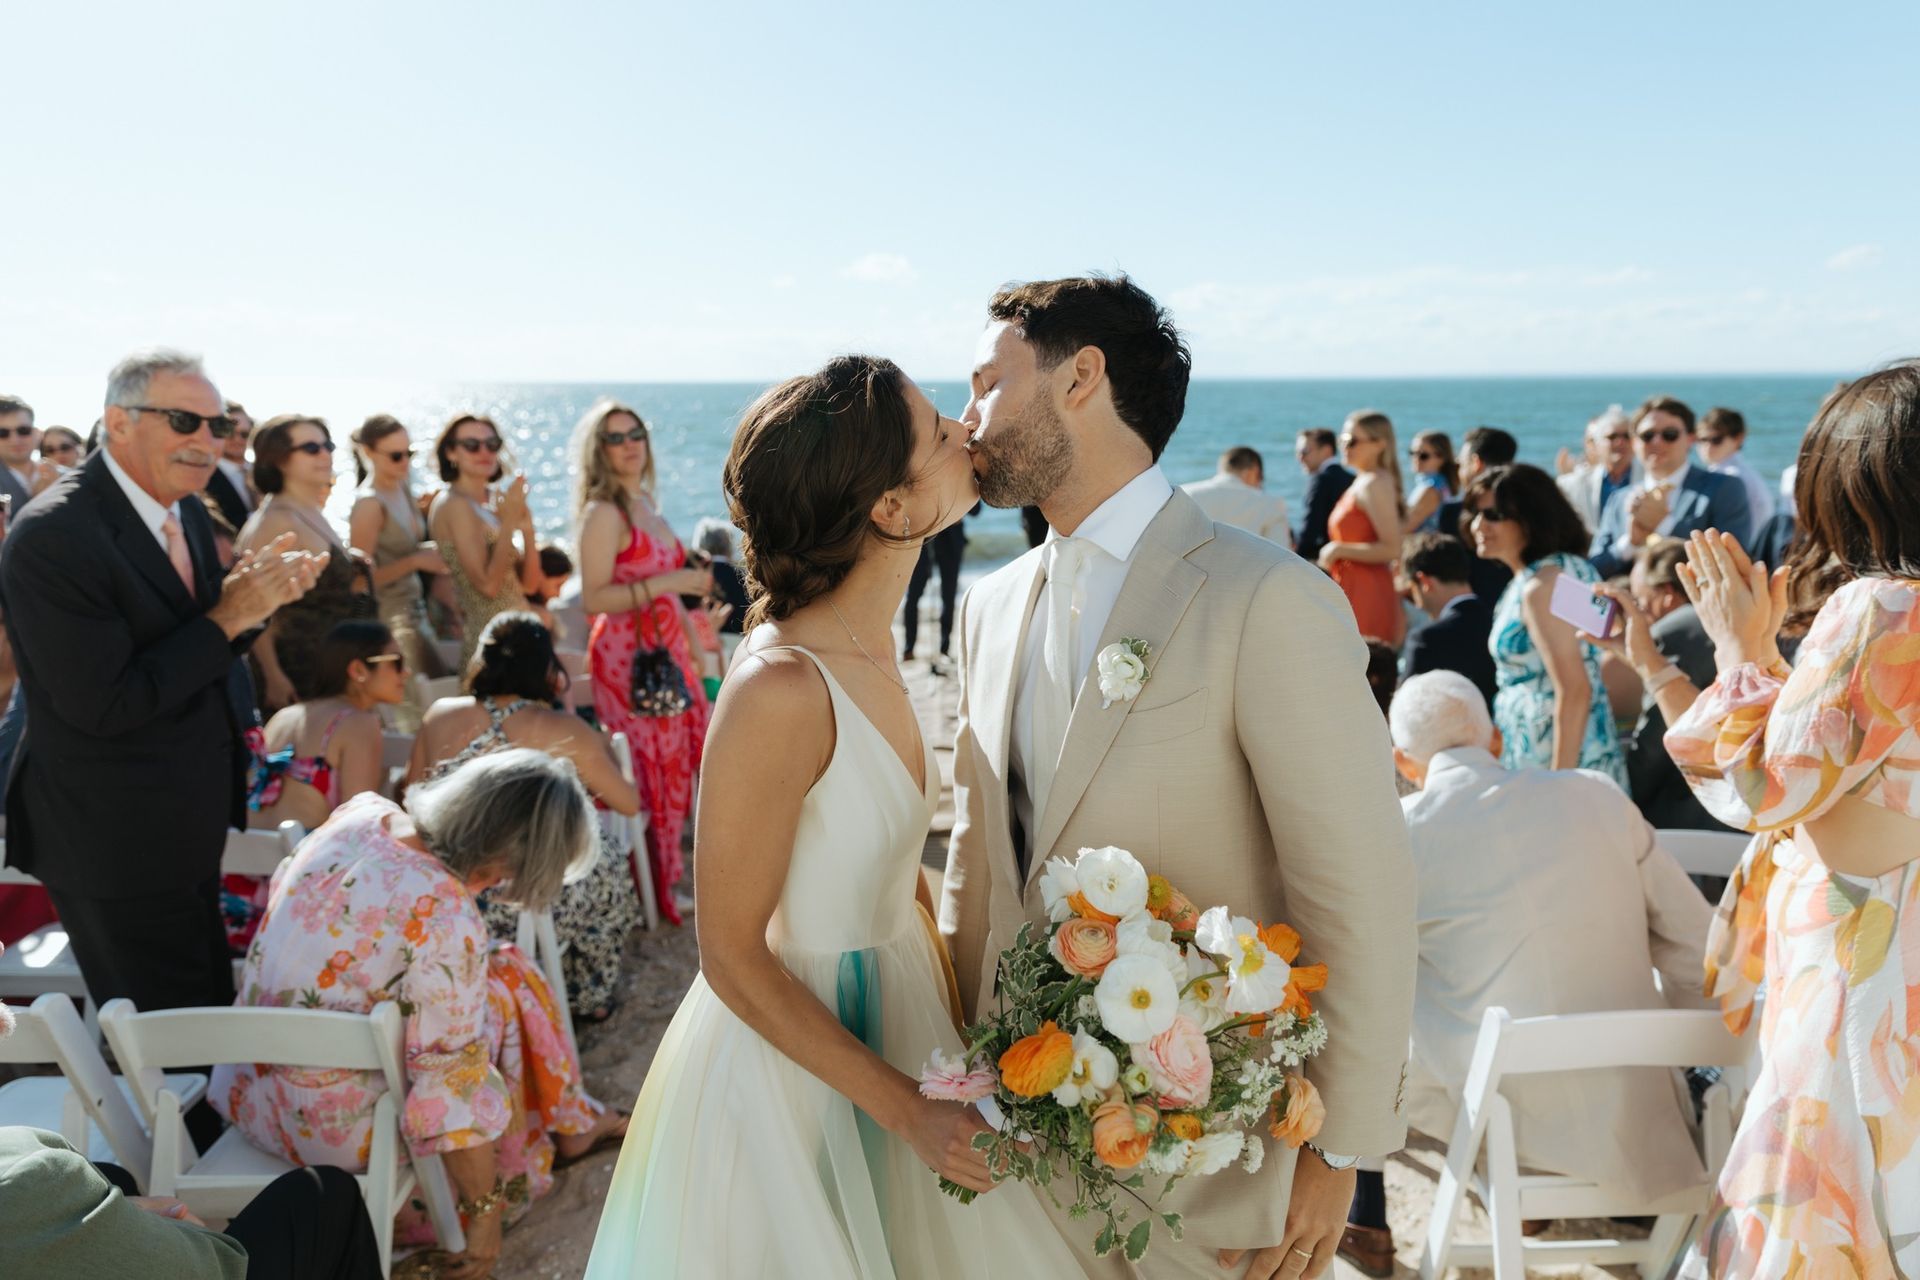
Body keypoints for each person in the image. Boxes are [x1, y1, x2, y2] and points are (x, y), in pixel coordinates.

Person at [942, 275, 1415, 1280]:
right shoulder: (988, 604)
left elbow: (1357, 889)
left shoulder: (1268, 597)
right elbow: (978, 861)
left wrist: (1338, 1148)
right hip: (1011, 1152)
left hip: (1209, 1167)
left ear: (1080, 377)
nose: (965, 416)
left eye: (986, 383)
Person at [585, 354, 1086, 1278]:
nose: (967, 430)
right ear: (889, 508)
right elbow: (729, 953)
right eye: (938, 432)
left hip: (905, 1007)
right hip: (799, 1063)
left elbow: (882, 861)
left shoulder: (874, 646)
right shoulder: (780, 686)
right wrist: (909, 1110)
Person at [1594, 361, 1920, 1278]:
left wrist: (1739, 648)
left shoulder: (1883, 604)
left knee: (1814, 1208)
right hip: (1900, 931)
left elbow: (1771, 788)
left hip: (1859, 948)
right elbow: (1854, 765)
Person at [1338, 672, 1713, 1276]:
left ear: (1403, 762)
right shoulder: (1595, 794)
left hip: (1499, 1118)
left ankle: (1364, 1217)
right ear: (1495, 741)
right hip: (1636, 1115)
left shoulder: (1401, 833)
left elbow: (1365, 978)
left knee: (1362, 1004)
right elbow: (1697, 947)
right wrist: (1700, 1058)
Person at [0, 348, 323, 1029]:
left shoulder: (187, 512)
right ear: (119, 422)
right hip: (113, 834)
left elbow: (197, 644)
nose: (208, 440)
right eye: (184, 421)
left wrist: (254, 606)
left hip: (186, 818)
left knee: (204, 1016)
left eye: (217, 425)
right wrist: (230, 615)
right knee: (169, 1040)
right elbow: (104, 702)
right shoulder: (53, 535)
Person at [218, 749, 629, 1278]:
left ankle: (572, 1118)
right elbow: (448, 1093)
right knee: (489, 1010)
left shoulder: (360, 815)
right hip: (333, 1137)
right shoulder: (446, 917)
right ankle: (553, 1132)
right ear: (510, 859)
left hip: (247, 1086)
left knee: (503, 973)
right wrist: (485, 1217)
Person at [406, 611, 643, 1022]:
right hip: (525, 893)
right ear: (546, 667)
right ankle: (587, 994)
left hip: (448, 889)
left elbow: (413, 801)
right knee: (607, 861)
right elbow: (628, 803)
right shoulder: (561, 727)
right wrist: (603, 749)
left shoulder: (439, 714)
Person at [572, 398, 711, 927]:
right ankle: (655, 887)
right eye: (616, 437)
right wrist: (669, 581)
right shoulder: (603, 513)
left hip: (668, 650)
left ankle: (668, 875)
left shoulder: (645, 501)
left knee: (677, 762)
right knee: (651, 768)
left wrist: (693, 642)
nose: (630, 445)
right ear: (599, 451)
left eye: (636, 434)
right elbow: (593, 599)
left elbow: (665, 590)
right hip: (629, 662)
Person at [225, 620, 407, 954]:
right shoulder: (359, 723)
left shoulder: (285, 716)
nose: (405, 673)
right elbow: (358, 829)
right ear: (358, 670)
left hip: (234, 899)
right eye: (396, 662)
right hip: (294, 911)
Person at [0, 1128, 382, 1280]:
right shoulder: (30, 1169)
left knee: (110, 1176)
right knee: (326, 1194)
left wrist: (122, 1212)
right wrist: (185, 1234)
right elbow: (209, 1267)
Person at [1464, 463, 1627, 786]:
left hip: (1553, 753)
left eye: (1493, 515)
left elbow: (1575, 688)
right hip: (1579, 742)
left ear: (1530, 518)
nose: (1478, 525)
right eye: (1475, 513)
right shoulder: (1565, 569)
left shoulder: (1543, 585)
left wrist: (1559, 782)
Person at [237, 414, 376, 712]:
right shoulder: (276, 521)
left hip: (328, 667)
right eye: (311, 448)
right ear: (279, 459)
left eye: (328, 445)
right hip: (298, 675)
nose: (325, 454)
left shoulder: (305, 509)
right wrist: (273, 676)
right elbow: (253, 607)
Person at [1606, 539, 1734, 835]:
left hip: (1697, 818)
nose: (1638, 614)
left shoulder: (1674, 631)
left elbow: (1655, 745)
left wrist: (1622, 793)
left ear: (1666, 594)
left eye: (1639, 602)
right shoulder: (1725, 620)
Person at [1588, 395, 1751, 578]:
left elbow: (1732, 563)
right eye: (1647, 436)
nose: (1657, 442)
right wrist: (1630, 543)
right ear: (1634, 443)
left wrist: (1664, 525)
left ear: (1690, 439)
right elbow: (1591, 571)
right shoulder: (1619, 498)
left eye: (1670, 435)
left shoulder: (1724, 488)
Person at [429, 413, 540, 673]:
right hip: (493, 644)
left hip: (521, 634)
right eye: (472, 445)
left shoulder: (489, 502)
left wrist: (527, 529)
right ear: (451, 452)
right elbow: (488, 587)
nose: (484, 452)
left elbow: (529, 585)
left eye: (492, 444)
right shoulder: (454, 505)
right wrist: (509, 522)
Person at [348, 413, 449, 697]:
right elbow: (358, 584)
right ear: (368, 453)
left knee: (438, 688)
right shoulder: (369, 504)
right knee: (417, 703)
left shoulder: (400, 485)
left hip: (416, 612)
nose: (405, 462)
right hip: (392, 622)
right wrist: (414, 561)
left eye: (409, 453)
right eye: (395, 456)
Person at [1319, 410, 1407, 647]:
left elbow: (1392, 548)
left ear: (1379, 444)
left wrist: (1338, 549)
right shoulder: (1364, 480)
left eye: (1351, 441)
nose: (1344, 446)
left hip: (1366, 592)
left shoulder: (1375, 483)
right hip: (1352, 587)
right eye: (1342, 439)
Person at [1398, 532, 1496, 707]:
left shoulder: (1426, 640)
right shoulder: (1500, 621)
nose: (1417, 604)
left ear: (1424, 581)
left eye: (1411, 591)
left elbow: (1405, 708)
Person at [1436, 426, 1517, 605]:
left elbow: (1446, 574)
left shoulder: (1453, 514)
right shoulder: (1528, 509)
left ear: (1476, 463)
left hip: (1474, 610)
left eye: (1460, 464)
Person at [902, 503, 972, 667]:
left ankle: (944, 648)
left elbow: (975, 509)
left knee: (948, 595)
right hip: (923, 540)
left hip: (952, 540)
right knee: (913, 594)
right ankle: (908, 648)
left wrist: (959, 511)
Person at [1182, 445, 1292, 544]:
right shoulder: (1271, 504)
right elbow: (1282, 553)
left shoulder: (1185, 493)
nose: (1260, 485)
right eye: (1261, 478)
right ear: (1254, 471)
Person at [1555, 404, 1637, 532]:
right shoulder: (1572, 484)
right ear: (1597, 443)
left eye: (1627, 436)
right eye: (1612, 437)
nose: (1620, 442)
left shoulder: (1652, 480)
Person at [1292, 427, 1353, 564]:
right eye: (1297, 453)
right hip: (1353, 557)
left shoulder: (1320, 480)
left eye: (1304, 452)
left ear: (1326, 450)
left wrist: (1295, 558)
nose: (1300, 458)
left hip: (1328, 561)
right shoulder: (1353, 479)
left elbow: (1311, 528)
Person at [0, 394, 59, 512]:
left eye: (23, 430)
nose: (15, 440)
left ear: (37, 433)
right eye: (3, 433)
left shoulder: (65, 475)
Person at [693, 516, 749, 636]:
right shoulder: (746, 577)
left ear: (700, 545)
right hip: (742, 641)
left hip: (703, 639)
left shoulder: (692, 578)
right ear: (729, 545)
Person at [204, 400, 256, 528]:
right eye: (230, 433)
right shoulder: (205, 476)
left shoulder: (263, 470)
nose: (237, 439)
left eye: (244, 434)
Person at [1403, 430, 1457, 534]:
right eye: (1412, 453)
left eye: (1423, 455)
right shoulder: (1441, 483)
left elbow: (1405, 528)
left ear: (1441, 458)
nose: (1416, 459)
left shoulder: (1430, 489)